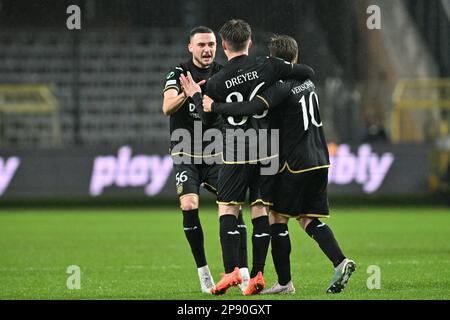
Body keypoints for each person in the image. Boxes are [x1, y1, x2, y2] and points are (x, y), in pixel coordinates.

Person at [202, 34, 356, 294]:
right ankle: (340, 261)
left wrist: (214, 105)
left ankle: (285, 283)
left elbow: (250, 107)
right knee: (308, 218)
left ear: (273, 59)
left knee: (277, 218)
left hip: (295, 163)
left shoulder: (281, 88)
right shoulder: (307, 83)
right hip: (320, 159)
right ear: (295, 58)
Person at [180, 20, 314, 296]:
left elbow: (205, 117)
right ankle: (257, 274)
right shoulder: (267, 65)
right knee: (260, 208)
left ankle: (231, 270)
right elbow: (307, 72)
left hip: (236, 147)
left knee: (228, 208)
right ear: (249, 42)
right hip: (266, 146)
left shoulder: (216, 82)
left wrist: (195, 96)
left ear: (224, 46)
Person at [162, 26, 249, 294]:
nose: (207, 49)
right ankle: (203, 270)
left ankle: (243, 273)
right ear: (190, 47)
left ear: (218, 46)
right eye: (201, 45)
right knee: (189, 203)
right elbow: (166, 107)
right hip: (185, 151)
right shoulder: (178, 73)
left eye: (211, 44)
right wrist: (186, 95)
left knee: (233, 206)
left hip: (215, 153)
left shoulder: (223, 73)